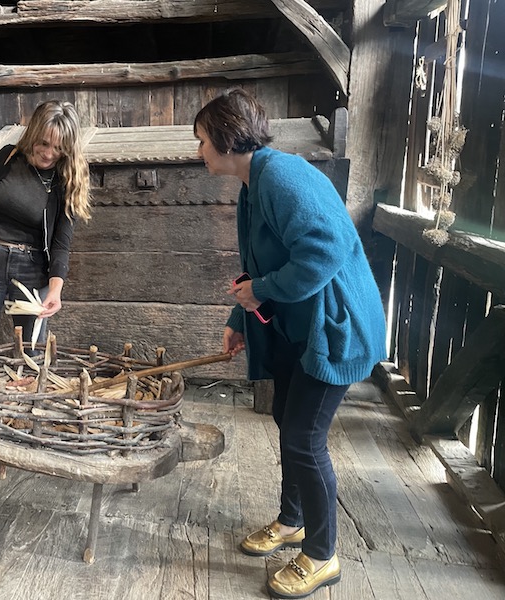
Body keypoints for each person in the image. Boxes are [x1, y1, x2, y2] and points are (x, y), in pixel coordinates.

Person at [194, 88, 387, 599]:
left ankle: (322, 555)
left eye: (202, 140)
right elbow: (258, 268)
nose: (199, 151)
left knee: (304, 437)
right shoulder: (252, 184)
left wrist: (260, 290)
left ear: (227, 139)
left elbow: (325, 251)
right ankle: (292, 521)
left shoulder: (283, 176)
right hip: (297, 328)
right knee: (286, 418)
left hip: (336, 326)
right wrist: (240, 315)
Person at [0, 100, 91, 352]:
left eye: (58, 148)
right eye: (43, 143)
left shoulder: (68, 179)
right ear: (33, 134)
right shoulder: (8, 156)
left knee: (32, 350)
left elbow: (61, 243)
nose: (49, 154)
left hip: (32, 269)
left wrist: (55, 290)